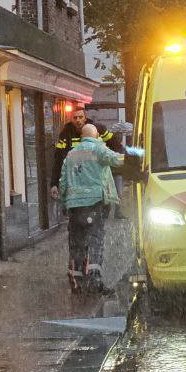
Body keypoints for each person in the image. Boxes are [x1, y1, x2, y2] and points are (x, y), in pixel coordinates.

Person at [59, 122, 123, 294]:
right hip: (94, 203)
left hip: (74, 207)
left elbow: (63, 182)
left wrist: (64, 204)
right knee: (95, 241)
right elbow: (118, 159)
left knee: (76, 244)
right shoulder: (98, 149)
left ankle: (76, 283)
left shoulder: (71, 154)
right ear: (96, 136)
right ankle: (94, 282)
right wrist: (137, 155)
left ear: (81, 137)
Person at [49, 106, 88, 200]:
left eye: (80, 117)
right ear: (71, 119)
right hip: (72, 180)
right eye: (75, 118)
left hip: (91, 180)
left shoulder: (96, 129)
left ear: (85, 118)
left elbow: (111, 148)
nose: (78, 120)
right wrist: (54, 183)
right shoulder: (66, 134)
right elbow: (58, 159)